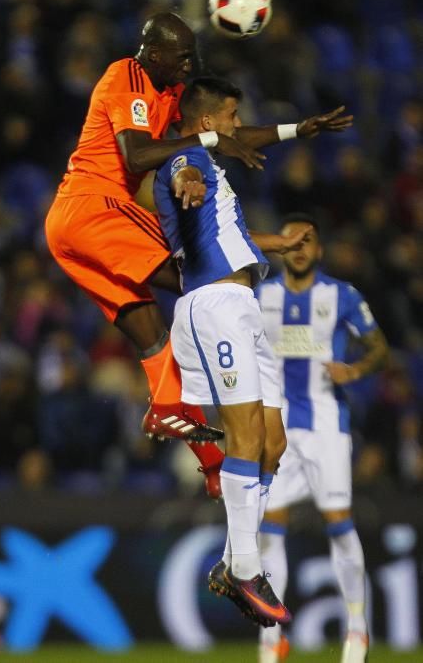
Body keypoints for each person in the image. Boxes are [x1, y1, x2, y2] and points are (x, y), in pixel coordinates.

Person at [45, 11, 353, 498]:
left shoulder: (168, 97)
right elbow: (137, 156)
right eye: (182, 55)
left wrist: (299, 129)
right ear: (154, 52)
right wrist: (205, 145)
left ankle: (210, 462)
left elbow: (227, 135)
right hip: (94, 207)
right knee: (206, 281)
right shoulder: (126, 73)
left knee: (150, 333)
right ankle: (235, 377)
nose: (190, 63)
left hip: (75, 227)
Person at [153, 76, 317, 625]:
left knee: (272, 443)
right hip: (214, 305)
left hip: (245, 304)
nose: (234, 126)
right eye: (228, 116)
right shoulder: (186, 162)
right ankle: (247, 568)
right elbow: (183, 173)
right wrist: (191, 180)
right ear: (205, 123)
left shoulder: (219, 175)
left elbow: (236, 238)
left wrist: (281, 242)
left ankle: (230, 564)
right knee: (245, 432)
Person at [255, 213, 389, 663]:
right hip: (278, 426)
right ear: (280, 246)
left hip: (327, 424)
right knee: (269, 529)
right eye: (290, 237)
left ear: (319, 250)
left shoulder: (341, 296)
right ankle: (272, 637)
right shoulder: (261, 295)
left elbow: (379, 347)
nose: (298, 245)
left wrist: (354, 369)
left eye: (308, 239)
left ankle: (357, 628)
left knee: (338, 519)